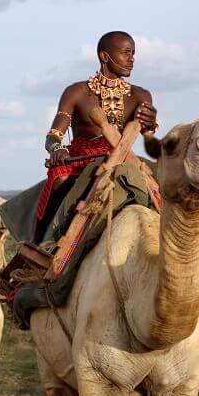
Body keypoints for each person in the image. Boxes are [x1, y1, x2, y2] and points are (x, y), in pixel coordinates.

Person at [34, 30, 158, 243]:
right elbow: (53, 136)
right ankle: (43, 243)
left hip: (123, 160)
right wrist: (57, 149)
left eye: (134, 53)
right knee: (60, 178)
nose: (132, 59)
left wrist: (150, 125)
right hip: (80, 160)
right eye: (126, 53)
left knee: (159, 185)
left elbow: (152, 145)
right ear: (105, 56)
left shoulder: (141, 95)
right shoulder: (76, 92)